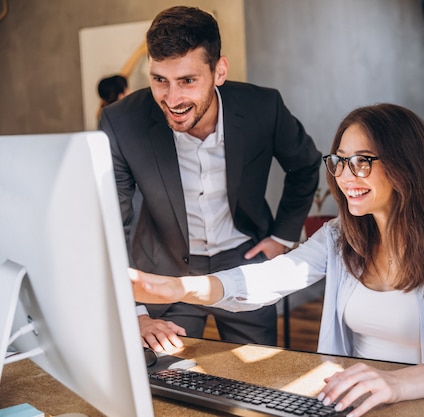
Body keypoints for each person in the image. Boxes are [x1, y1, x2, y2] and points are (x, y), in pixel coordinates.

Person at [130, 103, 424, 416]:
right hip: (353, 403)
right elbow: (270, 278)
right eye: (340, 160)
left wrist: (399, 384)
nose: (345, 175)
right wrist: (180, 287)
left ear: (405, 166)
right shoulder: (339, 236)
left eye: (363, 161)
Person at [99, 6, 321, 351]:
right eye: (160, 80)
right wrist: (136, 311)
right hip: (164, 270)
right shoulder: (121, 122)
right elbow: (112, 220)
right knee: (167, 379)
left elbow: (305, 165)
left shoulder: (264, 107)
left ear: (219, 71)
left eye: (187, 81)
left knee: (257, 373)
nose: (172, 100)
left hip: (243, 261)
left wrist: (282, 236)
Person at [96, 41, 148, 120]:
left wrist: (139, 51)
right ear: (121, 96)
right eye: (126, 89)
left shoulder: (105, 110)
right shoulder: (131, 114)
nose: (130, 91)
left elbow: (123, 75)